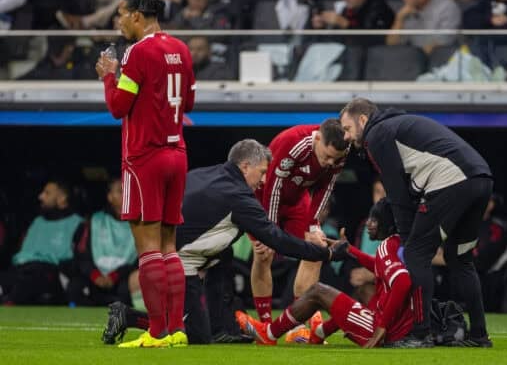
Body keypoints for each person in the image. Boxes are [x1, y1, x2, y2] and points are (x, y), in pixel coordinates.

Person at [101, 139, 349, 345]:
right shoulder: (238, 197)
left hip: (174, 252)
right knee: (195, 335)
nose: (264, 181)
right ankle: (130, 316)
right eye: (262, 172)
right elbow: (278, 240)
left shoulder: (211, 174)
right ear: (245, 167)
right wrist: (325, 254)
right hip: (179, 263)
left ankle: (222, 328)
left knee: (224, 254)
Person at [339, 98, 493, 348]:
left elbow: (397, 192)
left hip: (452, 180)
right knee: (460, 259)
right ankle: (479, 336)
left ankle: (421, 335)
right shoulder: (396, 125)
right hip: (481, 179)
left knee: (415, 253)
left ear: (363, 120)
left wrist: (406, 236)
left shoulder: (376, 135)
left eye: (347, 129)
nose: (346, 137)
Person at [95, 0, 196, 348]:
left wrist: (110, 75)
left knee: (148, 248)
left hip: (145, 158)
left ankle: (156, 332)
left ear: (138, 15)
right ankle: (177, 330)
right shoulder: (181, 49)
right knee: (170, 247)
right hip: (177, 153)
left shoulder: (137, 52)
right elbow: (190, 101)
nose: (118, 21)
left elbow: (119, 106)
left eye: (121, 14)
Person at [238, 198, 414, 348]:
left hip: (377, 329)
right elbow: (380, 266)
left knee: (318, 291)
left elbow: (403, 282)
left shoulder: (386, 246)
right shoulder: (397, 243)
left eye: (374, 220)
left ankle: (268, 334)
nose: (368, 223)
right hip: (394, 328)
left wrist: (381, 329)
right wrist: (349, 250)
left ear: (387, 224)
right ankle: (319, 332)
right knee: (351, 297)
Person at [250, 119, 348, 335]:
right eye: (327, 155)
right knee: (263, 254)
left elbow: (326, 188)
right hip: (263, 199)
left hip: (296, 200)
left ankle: (298, 323)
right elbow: (273, 188)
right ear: (319, 138)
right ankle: (265, 323)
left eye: (335, 158)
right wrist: (270, 232)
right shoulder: (293, 143)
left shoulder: (341, 152)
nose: (330, 162)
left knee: (317, 249)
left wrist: (313, 226)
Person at [0, 179, 84, 305]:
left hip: (52, 272)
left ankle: (9, 304)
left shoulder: (77, 223)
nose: (40, 196)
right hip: (22, 268)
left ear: (62, 198)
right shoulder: (37, 222)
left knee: (29, 280)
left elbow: (77, 259)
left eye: (47, 193)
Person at [66, 178, 137, 306]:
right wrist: (95, 275)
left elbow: (142, 258)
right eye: (121, 191)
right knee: (74, 288)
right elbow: (81, 254)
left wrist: (115, 276)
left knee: (126, 291)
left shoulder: (141, 224)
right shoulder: (93, 221)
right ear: (110, 197)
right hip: (95, 277)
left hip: (123, 278)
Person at [386, 0, 461, 54]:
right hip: (416, 59)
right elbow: (392, 44)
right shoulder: (407, 11)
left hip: (444, 57)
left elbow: (445, 39)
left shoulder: (447, 7)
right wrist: (399, 19)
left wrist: (419, 56)